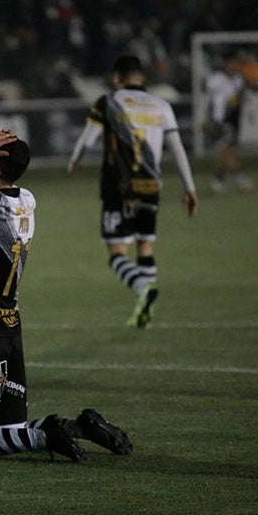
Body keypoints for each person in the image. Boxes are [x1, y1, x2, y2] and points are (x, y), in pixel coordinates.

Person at [0, 128, 132, 462]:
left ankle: (49, 431)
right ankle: (77, 428)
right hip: (9, 329)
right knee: (10, 428)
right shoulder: (26, 200)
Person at [68, 54, 199, 328]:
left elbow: (88, 140)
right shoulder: (161, 106)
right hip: (151, 186)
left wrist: (75, 161)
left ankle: (143, 291)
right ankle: (145, 312)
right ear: (142, 78)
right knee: (146, 246)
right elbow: (177, 149)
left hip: (120, 187)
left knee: (116, 253)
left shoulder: (109, 102)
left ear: (118, 78)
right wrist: (190, 188)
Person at [203, 50, 253, 192]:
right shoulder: (215, 79)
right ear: (225, 64)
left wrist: (243, 105)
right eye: (230, 63)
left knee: (229, 151)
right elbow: (208, 100)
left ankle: (218, 180)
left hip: (234, 118)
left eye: (235, 64)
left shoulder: (239, 79)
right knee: (228, 150)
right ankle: (239, 178)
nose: (233, 66)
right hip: (220, 119)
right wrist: (206, 119)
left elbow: (243, 98)